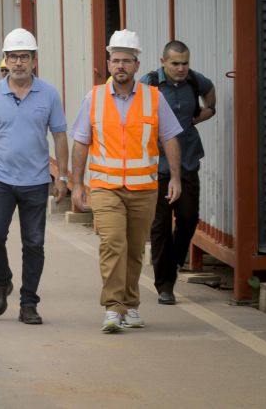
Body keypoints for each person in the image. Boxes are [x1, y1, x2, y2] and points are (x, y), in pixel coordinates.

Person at [70, 29, 183, 334]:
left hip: (144, 189)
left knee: (134, 249)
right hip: (106, 188)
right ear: (108, 64)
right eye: (115, 60)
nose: (120, 66)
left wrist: (175, 177)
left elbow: (170, 137)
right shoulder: (93, 98)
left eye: (126, 61)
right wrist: (77, 184)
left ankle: (130, 305)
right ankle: (112, 307)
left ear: (136, 64)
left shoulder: (153, 98)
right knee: (112, 244)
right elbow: (81, 141)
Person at [0, 29, 69, 325]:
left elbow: (60, 136)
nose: (19, 63)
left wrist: (62, 177)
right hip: (0, 178)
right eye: (13, 57)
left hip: (36, 180)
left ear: (34, 61)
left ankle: (28, 303)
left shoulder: (49, 94)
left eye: (24, 57)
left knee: (34, 243)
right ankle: (2, 282)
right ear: (6, 60)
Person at [141, 40, 216, 305]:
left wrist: (204, 113)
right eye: (175, 63)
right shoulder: (148, 84)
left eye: (185, 63)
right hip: (156, 166)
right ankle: (165, 285)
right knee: (159, 226)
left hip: (187, 163)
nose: (181, 68)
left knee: (188, 218)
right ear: (163, 62)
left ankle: (172, 263)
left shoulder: (195, 81)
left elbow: (210, 94)